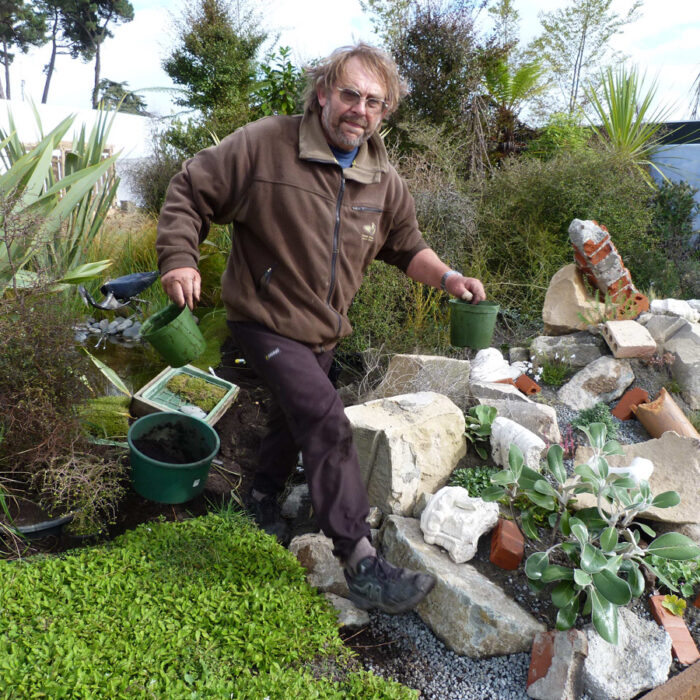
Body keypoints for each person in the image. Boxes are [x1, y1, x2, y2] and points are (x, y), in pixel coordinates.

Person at [156, 43, 486, 615]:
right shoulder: (265, 146)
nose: (360, 108)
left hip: (323, 330)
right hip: (263, 318)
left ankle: (261, 497)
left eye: (374, 101)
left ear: (385, 112)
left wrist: (449, 276)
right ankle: (360, 560)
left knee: (294, 417)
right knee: (326, 419)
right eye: (350, 94)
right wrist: (180, 256)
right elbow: (190, 189)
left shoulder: (381, 178)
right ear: (324, 93)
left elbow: (407, 246)